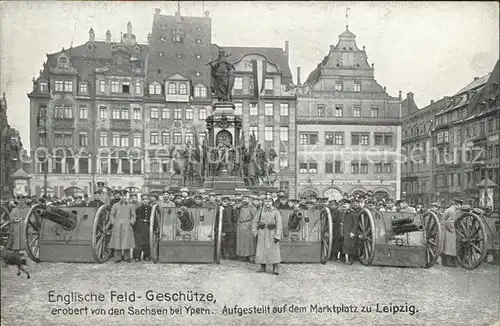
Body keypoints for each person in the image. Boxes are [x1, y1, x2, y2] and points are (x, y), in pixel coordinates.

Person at [252, 195, 283, 275]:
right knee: (261, 250)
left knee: (273, 250)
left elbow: (279, 224)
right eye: (266, 201)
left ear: (272, 202)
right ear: (263, 202)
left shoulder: (276, 211)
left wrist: (277, 236)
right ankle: (262, 266)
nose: (267, 203)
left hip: (272, 233)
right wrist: (255, 232)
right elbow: (255, 222)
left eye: (269, 201)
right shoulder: (260, 211)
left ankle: (275, 267)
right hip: (262, 232)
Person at [109, 190, 136, 263]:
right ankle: (118, 257)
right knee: (117, 241)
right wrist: (114, 222)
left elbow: (133, 215)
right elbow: (111, 215)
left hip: (127, 226)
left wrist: (131, 222)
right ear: (120, 196)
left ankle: (127, 257)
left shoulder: (131, 205)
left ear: (127, 196)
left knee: (126, 240)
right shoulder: (115, 205)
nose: (123, 197)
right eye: (121, 196)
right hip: (117, 226)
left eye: (124, 196)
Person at [441, 198, 463, 267]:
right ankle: (448, 263)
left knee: (445, 246)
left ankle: (444, 262)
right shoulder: (453, 211)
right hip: (448, 230)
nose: (460, 208)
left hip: (443, 228)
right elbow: (449, 222)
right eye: (460, 206)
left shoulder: (448, 209)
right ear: (457, 205)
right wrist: (453, 230)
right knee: (449, 246)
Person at [236, 194, 257, 263]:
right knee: (241, 242)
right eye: (244, 199)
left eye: (246, 199)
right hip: (241, 227)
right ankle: (243, 256)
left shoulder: (252, 208)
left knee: (250, 243)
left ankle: (251, 257)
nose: (245, 200)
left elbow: (254, 218)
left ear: (249, 200)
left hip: (248, 227)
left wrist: (251, 226)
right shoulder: (240, 207)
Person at [342, 198, 362, 265]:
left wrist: (352, 232)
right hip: (344, 231)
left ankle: (351, 259)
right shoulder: (344, 212)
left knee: (351, 245)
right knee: (345, 245)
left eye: (346, 204)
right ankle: (345, 258)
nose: (344, 206)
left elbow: (355, 224)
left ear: (349, 205)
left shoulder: (353, 213)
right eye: (344, 204)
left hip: (350, 232)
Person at [134, 194, 151, 261]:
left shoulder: (151, 209)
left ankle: (146, 256)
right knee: (138, 242)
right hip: (140, 227)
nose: (145, 201)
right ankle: (137, 256)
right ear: (141, 201)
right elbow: (136, 219)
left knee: (147, 241)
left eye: (146, 199)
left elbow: (154, 219)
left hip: (148, 226)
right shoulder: (138, 209)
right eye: (143, 199)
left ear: (148, 200)